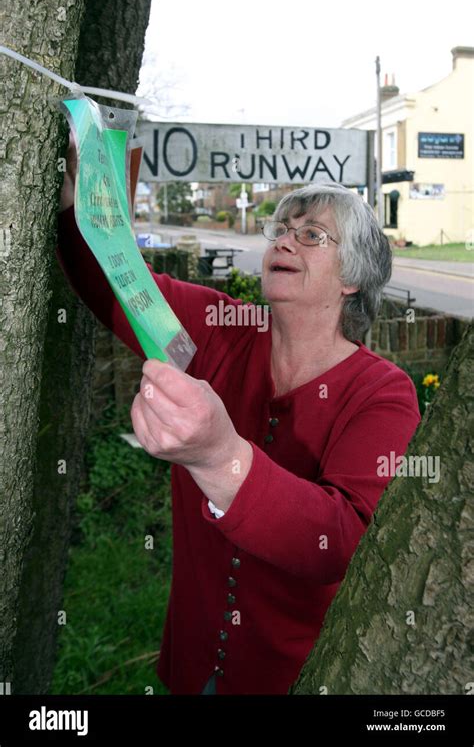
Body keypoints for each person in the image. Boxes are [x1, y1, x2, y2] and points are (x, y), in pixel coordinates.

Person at [57, 155, 421, 695]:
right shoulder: (218, 329)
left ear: (353, 277)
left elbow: (340, 539)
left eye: (313, 235)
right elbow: (117, 284)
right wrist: (78, 200)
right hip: (192, 663)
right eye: (282, 229)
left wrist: (217, 455)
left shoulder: (384, 393)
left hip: (295, 679)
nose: (284, 241)